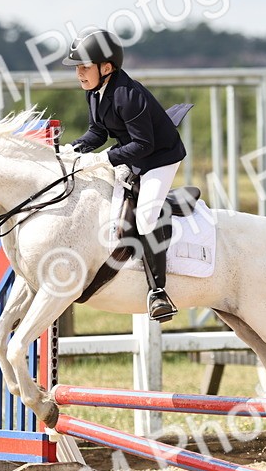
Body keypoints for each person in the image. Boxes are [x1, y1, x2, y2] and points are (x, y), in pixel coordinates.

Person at [61, 29, 186, 321]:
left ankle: (158, 292)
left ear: (107, 67)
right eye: (77, 67)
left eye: (84, 67)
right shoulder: (96, 92)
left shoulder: (127, 95)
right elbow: (98, 132)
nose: (79, 73)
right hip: (135, 154)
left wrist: (104, 158)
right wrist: (72, 150)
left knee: (145, 216)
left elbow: (145, 144)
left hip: (160, 159)